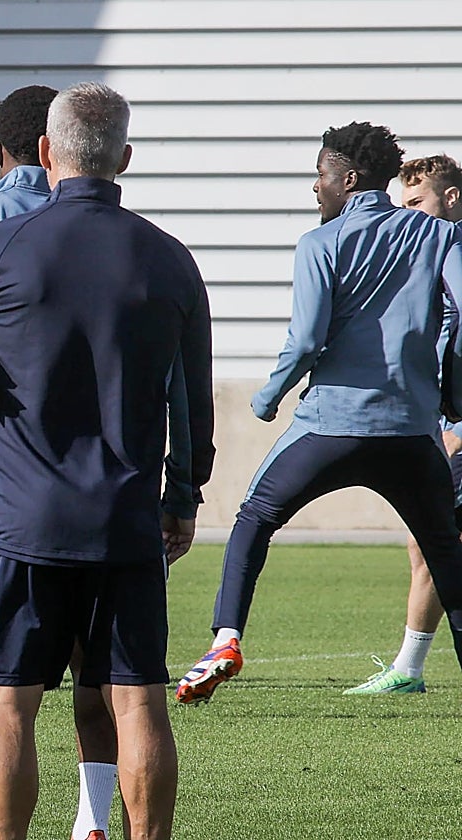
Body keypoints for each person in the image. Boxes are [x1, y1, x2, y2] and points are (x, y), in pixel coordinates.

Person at [0, 82, 214, 840]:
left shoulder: (1, 243)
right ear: (124, 158)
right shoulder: (168, 259)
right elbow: (191, 401)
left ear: (43, 154)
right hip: (126, 516)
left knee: (8, 702)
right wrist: (183, 495)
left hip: (20, 514)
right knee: (137, 703)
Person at [175, 124, 462, 707]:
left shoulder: (319, 243)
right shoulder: (439, 237)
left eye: (321, 174)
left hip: (330, 424)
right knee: (445, 550)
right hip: (411, 430)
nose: (315, 186)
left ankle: (225, 640)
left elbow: (306, 338)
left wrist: (269, 395)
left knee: (254, 518)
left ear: (348, 179)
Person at [345, 153, 462, 694]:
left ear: (452, 197)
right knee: (429, 542)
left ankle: (409, 670)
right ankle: (409, 669)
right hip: (438, 415)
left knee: (438, 539)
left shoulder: (453, 249)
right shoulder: (434, 250)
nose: (408, 213)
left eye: (417, 202)